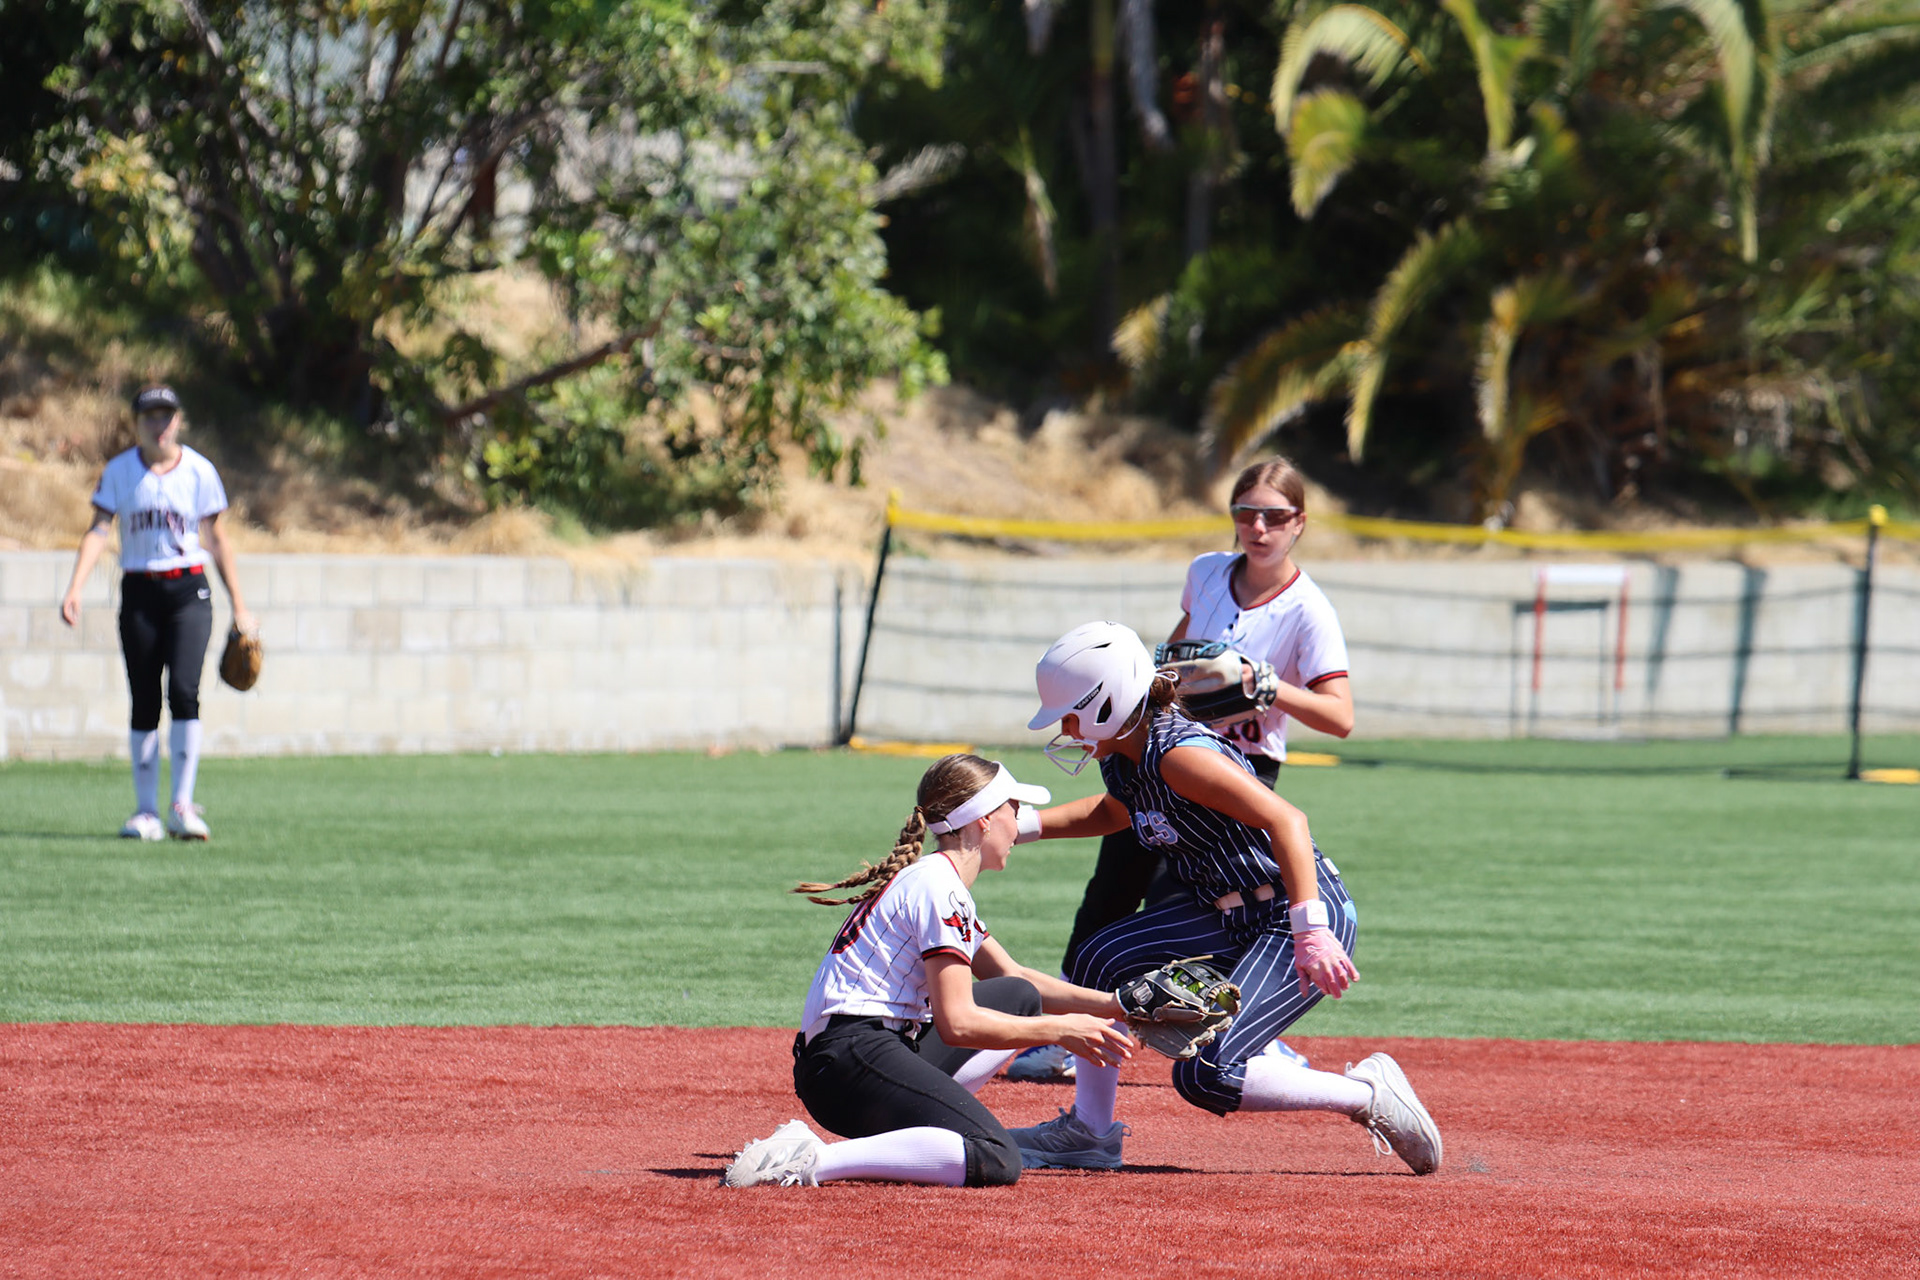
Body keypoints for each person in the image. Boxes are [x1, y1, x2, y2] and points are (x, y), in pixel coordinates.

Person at [1007, 621, 1440, 1175]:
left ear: (1107, 702)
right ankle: (1089, 1134)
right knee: (1099, 956)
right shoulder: (1124, 752)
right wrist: (1023, 826)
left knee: (1207, 1074)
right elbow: (1116, 811)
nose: (1064, 728)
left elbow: (1287, 820)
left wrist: (1311, 930)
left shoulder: (1178, 754)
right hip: (1228, 911)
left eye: (1071, 714)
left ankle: (1368, 1095)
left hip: (1291, 911)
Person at [1010, 456, 1353, 1082]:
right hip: (1145, 753)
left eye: (1274, 516)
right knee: (1110, 899)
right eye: (1245, 512)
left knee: (1196, 895)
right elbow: (1167, 656)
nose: (1258, 526)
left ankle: (1253, 1030)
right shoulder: (1207, 573)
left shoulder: (1308, 609)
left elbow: (1340, 717)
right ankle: (1080, 1038)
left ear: (1299, 522)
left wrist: (1266, 686)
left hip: (1232, 763)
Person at [722, 753, 1138, 1188]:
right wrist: (1059, 1030)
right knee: (996, 1157)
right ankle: (812, 1158)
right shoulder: (939, 887)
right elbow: (958, 1023)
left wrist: (1121, 1006)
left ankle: (927, 1131)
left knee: (1018, 996)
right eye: (1013, 809)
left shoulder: (933, 878)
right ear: (983, 820)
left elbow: (1017, 977)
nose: (1020, 823)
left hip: (853, 1054)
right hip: (849, 1063)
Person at [59, 384, 252, 841]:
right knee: (144, 698)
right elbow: (99, 529)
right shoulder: (120, 470)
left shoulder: (199, 471)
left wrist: (241, 607)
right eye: (150, 416)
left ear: (178, 421)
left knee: (184, 691)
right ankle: (146, 812)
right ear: (137, 423)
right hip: (140, 590)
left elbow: (216, 539)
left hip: (188, 591)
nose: (159, 424)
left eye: (166, 415)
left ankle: (181, 806)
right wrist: (75, 586)